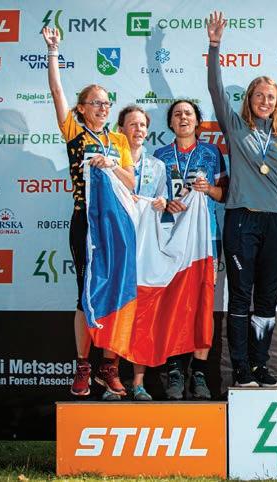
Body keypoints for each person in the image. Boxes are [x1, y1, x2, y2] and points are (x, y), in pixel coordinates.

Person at [42, 27, 135, 398]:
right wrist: (53, 52)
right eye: (95, 102)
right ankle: (83, 366)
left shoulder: (119, 140)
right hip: (85, 221)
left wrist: (111, 165)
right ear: (82, 108)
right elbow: (56, 92)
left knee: (115, 292)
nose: (103, 108)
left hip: (116, 225)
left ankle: (109, 367)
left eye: (107, 103)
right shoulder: (74, 133)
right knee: (84, 294)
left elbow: (131, 181)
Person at [207, 11, 277, 387]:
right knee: (240, 297)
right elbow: (215, 88)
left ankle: (260, 365)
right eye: (259, 95)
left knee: (267, 301)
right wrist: (214, 45)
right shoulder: (235, 126)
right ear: (249, 99)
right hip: (241, 219)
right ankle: (240, 367)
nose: (265, 101)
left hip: (276, 223)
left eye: (271, 97)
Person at [153, 99, 227, 400]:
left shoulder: (212, 153)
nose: (183, 118)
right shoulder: (159, 156)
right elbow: (151, 199)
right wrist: (164, 204)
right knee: (172, 303)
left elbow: (224, 194)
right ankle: (174, 369)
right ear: (170, 122)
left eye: (188, 113)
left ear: (197, 121)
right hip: (169, 239)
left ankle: (199, 372)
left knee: (202, 305)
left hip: (204, 240)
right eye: (177, 114)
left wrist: (208, 189)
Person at [116, 105, 167, 401]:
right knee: (117, 313)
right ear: (120, 129)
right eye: (133, 124)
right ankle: (111, 379)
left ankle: (138, 383)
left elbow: (164, 203)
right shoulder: (110, 162)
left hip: (146, 250)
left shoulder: (157, 166)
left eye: (143, 125)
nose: (138, 130)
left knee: (143, 317)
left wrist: (160, 202)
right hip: (118, 248)